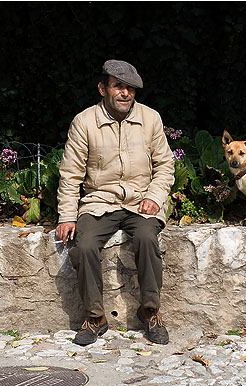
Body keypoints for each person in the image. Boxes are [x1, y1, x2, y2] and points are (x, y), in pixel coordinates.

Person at [55, 60, 175, 346]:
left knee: (146, 239)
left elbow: (165, 166)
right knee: (84, 245)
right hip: (100, 201)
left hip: (141, 200)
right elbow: (71, 174)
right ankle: (95, 317)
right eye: (118, 86)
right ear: (102, 89)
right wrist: (67, 216)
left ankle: (151, 312)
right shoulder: (84, 122)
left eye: (130, 88)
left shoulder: (150, 119)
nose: (125, 93)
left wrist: (155, 196)